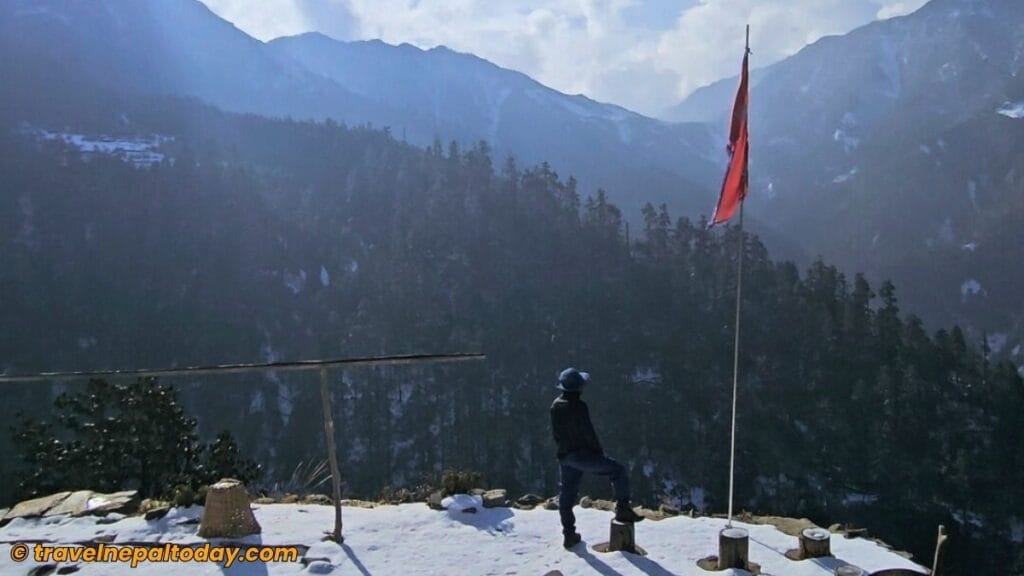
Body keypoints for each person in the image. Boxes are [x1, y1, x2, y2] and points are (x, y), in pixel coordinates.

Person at [550, 367, 643, 549]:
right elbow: (588, 433)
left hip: (565, 456)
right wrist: (598, 454)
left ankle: (569, 534)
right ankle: (623, 509)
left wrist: (563, 453)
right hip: (582, 455)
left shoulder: (555, 406)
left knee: (567, 495)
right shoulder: (579, 407)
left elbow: (557, 435)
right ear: (578, 388)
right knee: (618, 471)